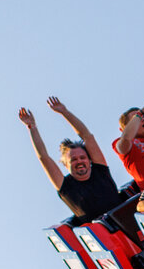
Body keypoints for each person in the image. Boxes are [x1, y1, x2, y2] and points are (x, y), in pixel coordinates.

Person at [18, 96, 122, 224]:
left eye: (82, 157)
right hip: (102, 234)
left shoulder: (99, 170)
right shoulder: (66, 186)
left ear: (89, 160)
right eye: (73, 160)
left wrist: (64, 112)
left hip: (124, 219)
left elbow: (87, 137)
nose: (79, 161)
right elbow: (43, 157)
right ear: (66, 165)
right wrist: (32, 127)